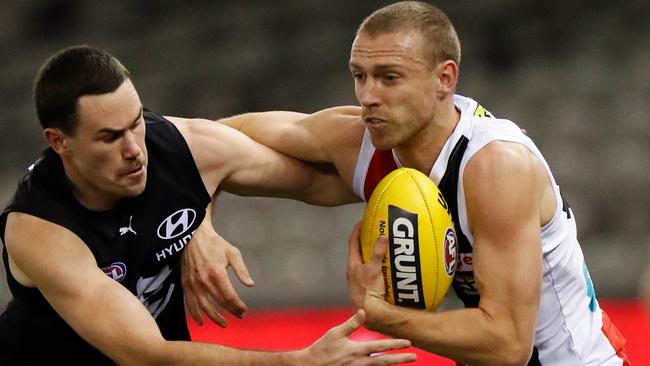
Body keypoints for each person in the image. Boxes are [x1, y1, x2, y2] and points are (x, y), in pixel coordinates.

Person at [209, 1, 632, 365]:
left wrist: (382, 316)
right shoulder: (358, 138)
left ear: (445, 79)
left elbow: (508, 347)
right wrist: (198, 226)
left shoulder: (495, 165)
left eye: (389, 77)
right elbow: (208, 141)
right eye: (360, 75)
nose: (368, 95)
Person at [0, 45, 418, 365]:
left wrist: (422, 170)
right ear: (59, 142)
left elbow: (318, 180)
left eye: (136, 123)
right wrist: (299, 361)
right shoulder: (41, 230)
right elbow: (144, 354)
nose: (135, 150)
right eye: (110, 138)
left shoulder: (180, 148)